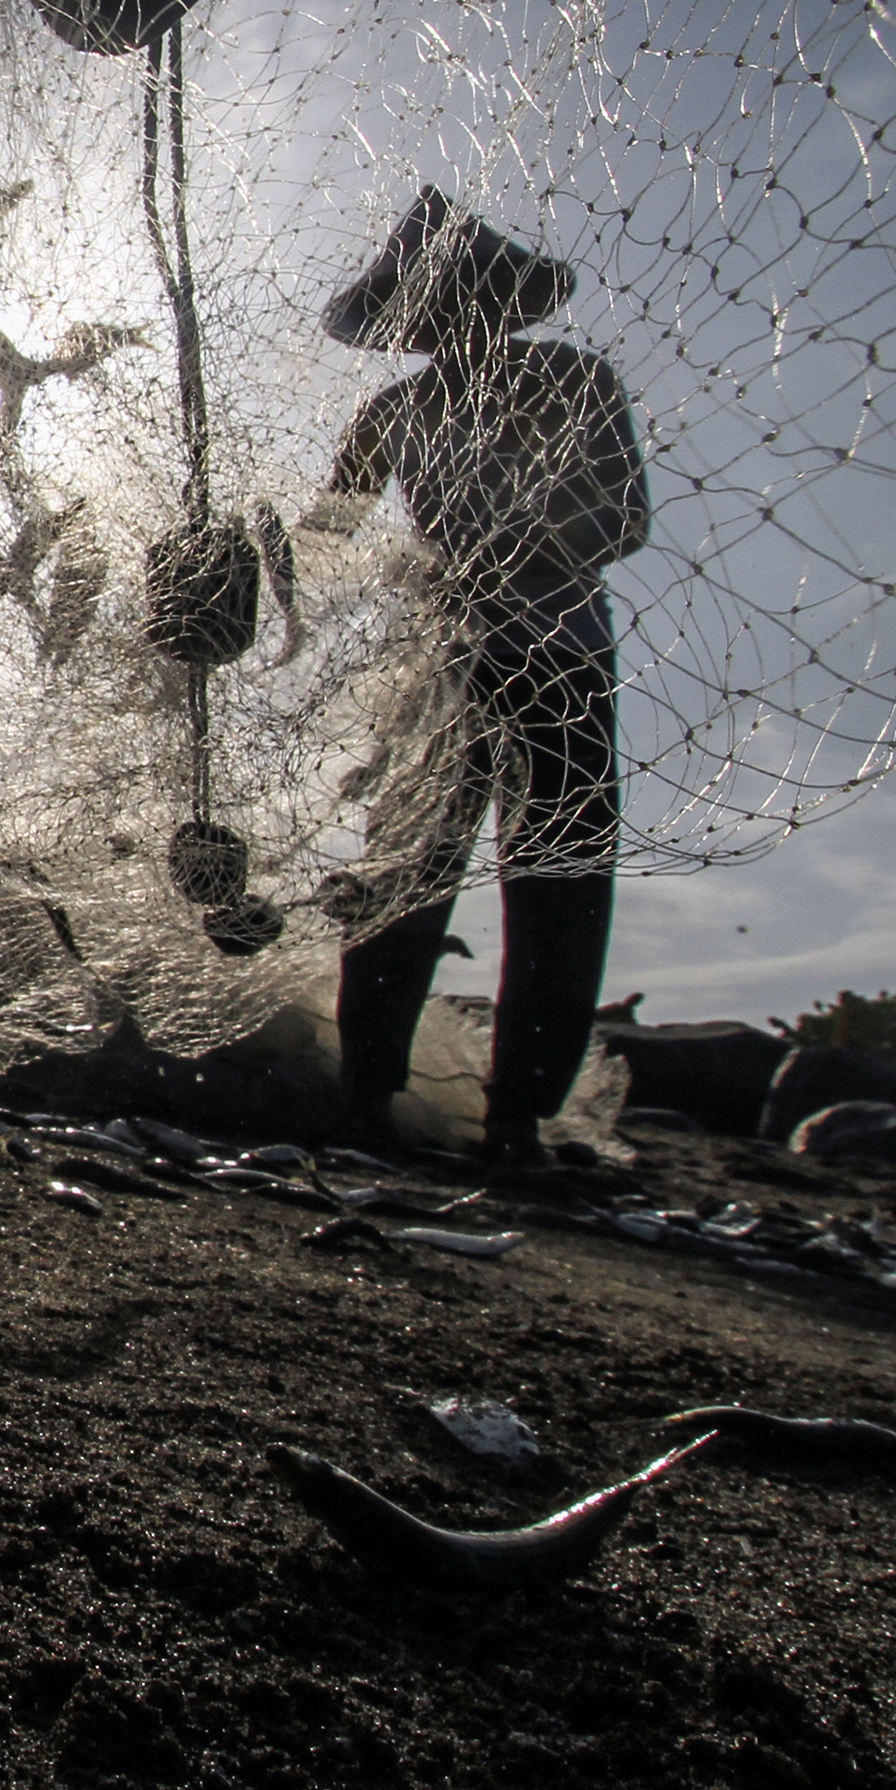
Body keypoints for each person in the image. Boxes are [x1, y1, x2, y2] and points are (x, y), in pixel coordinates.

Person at [300, 188, 649, 1160]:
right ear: (409, 321)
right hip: (439, 664)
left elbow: (624, 516)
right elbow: (326, 538)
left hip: (562, 656)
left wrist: (505, 550)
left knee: (558, 876)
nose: (453, 320)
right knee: (404, 873)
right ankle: (366, 1099)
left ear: (503, 300)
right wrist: (245, 554)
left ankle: (516, 1120)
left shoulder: (577, 381)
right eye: (431, 305)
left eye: (470, 296)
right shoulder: (391, 412)